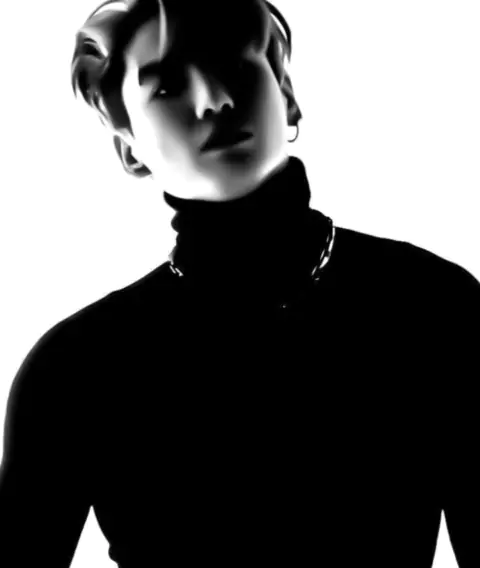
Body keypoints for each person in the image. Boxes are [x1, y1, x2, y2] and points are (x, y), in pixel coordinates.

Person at [1, 0, 479, 566]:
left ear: (286, 91)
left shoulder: (435, 307)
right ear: (129, 147)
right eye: (166, 86)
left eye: (232, 63)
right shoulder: (73, 371)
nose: (215, 101)